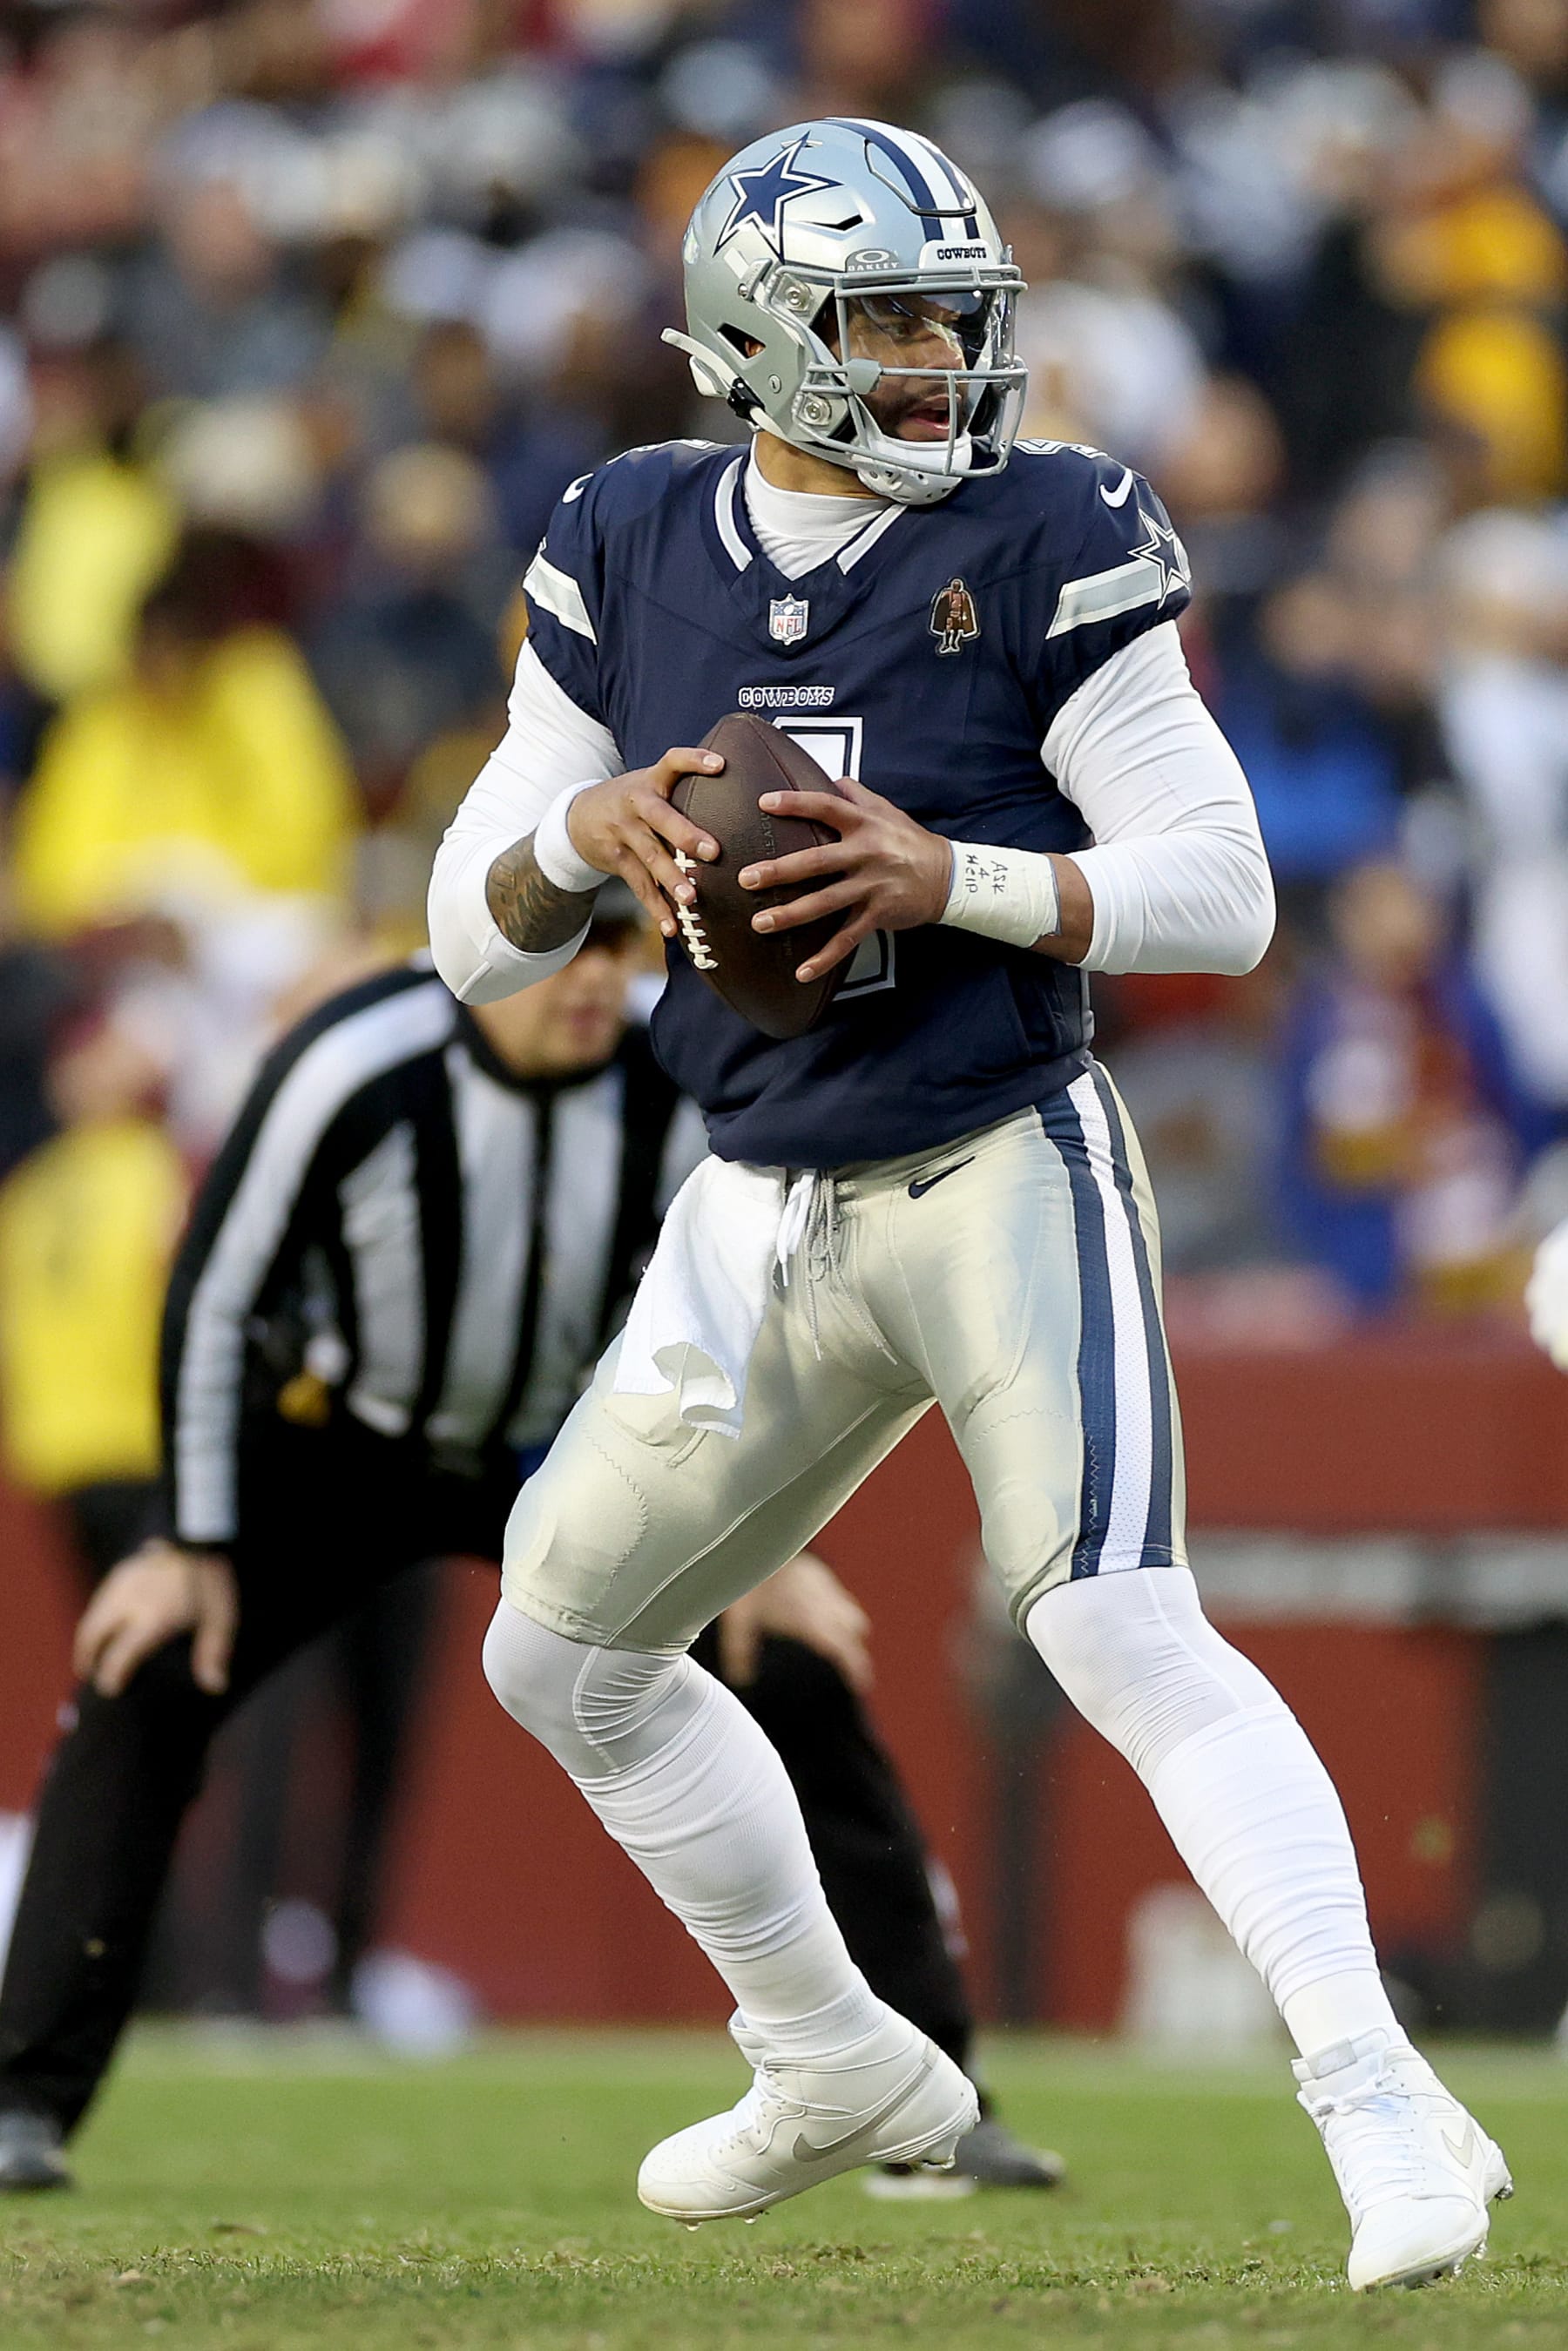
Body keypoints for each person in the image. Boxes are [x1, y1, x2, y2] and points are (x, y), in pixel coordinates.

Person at [429, 117, 1511, 2290]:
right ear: (759, 342)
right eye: (891, 321)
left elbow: (1218, 889)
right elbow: (476, 926)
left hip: (994, 1150)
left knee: (1113, 1612)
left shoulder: (1049, 526)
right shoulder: (625, 534)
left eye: (956, 314)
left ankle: (1386, 2101)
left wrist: (961, 876)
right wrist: (586, 845)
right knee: (565, 1651)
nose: (942, 359)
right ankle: (833, 2053)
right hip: (755, 1195)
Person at [0, 903, 1052, 2197]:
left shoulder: (680, 1071)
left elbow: (750, 1310)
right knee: (146, 1670)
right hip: (344, 1440)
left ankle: (931, 2110)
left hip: (565, 1450)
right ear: (474, 951)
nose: (600, 982)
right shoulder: (350, 1060)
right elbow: (220, 1288)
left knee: (790, 1671)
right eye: (571, 948)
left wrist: (768, 1545)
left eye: (623, 950)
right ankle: (22, 2097)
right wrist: (191, 1540)